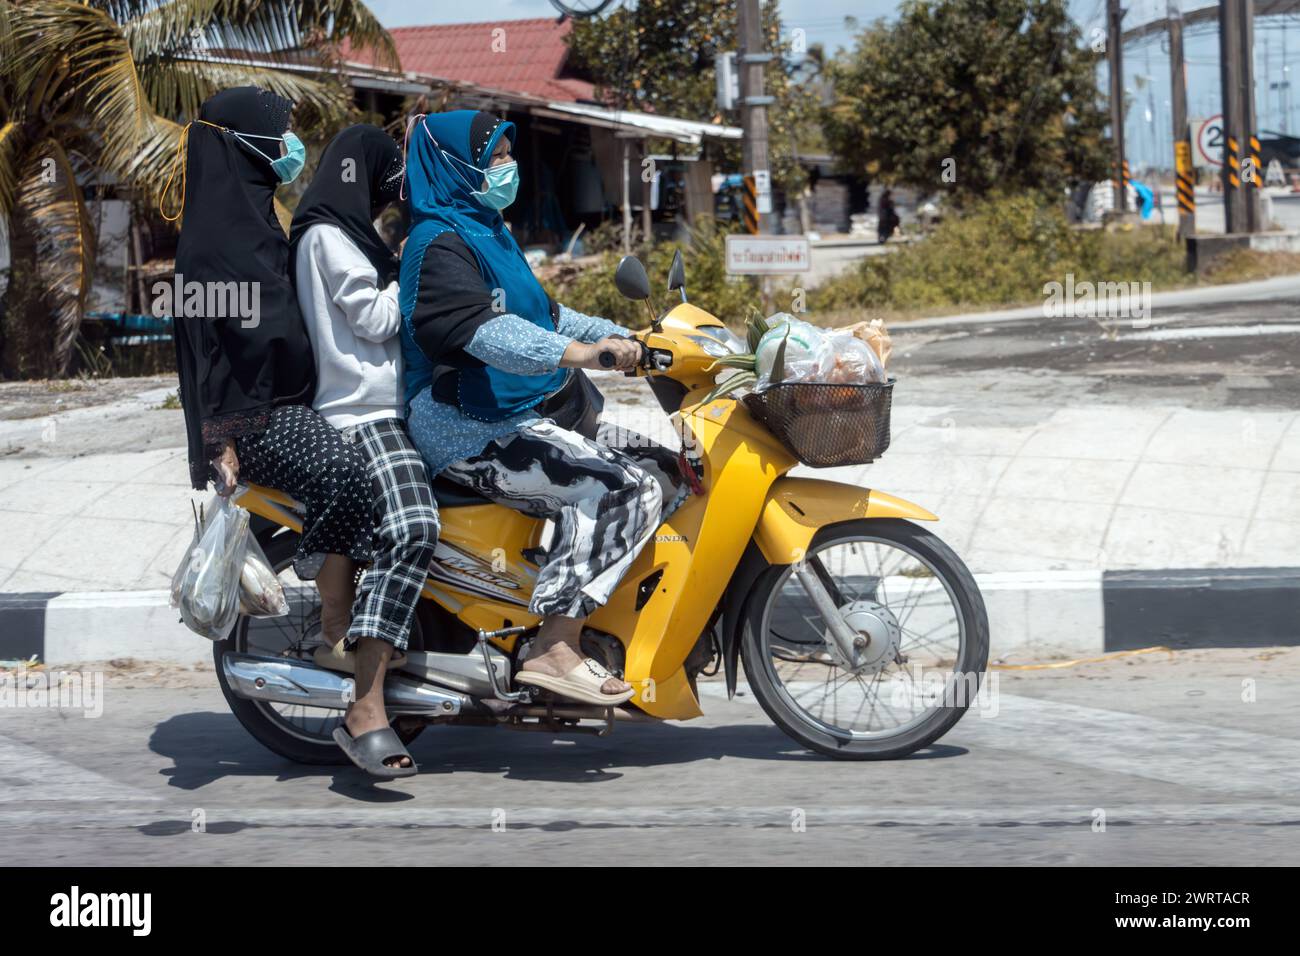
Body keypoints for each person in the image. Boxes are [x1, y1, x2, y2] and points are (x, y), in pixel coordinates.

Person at [399, 110, 688, 707]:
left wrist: (634, 337)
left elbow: (549, 316)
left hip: (528, 410)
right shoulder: (435, 244)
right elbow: (485, 333)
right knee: (623, 490)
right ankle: (555, 645)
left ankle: (617, 621)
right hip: (470, 427)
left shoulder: (488, 229)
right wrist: (583, 353)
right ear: (455, 166)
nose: (508, 167)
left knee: (671, 469)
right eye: (494, 157)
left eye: (509, 154)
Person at [289, 124, 439, 775]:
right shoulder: (327, 237)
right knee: (413, 527)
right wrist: (410, 264)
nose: (390, 190)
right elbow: (376, 321)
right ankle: (366, 704)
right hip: (362, 415)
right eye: (384, 176)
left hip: (386, 409)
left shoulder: (348, 236)